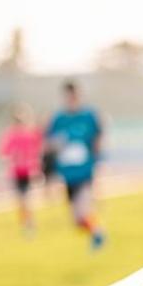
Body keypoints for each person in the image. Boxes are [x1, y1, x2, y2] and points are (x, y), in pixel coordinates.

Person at [45, 81, 106, 250]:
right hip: (67, 175)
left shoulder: (89, 116)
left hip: (85, 172)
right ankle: (95, 230)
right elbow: (48, 143)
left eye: (74, 95)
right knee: (77, 221)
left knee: (83, 209)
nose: (72, 99)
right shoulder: (58, 119)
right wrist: (56, 144)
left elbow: (99, 137)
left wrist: (97, 160)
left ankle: (98, 233)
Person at [0, 103, 42, 233]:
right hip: (17, 171)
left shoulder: (28, 134)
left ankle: (28, 222)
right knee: (22, 199)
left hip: (26, 171)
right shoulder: (12, 134)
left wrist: (35, 167)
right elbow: (4, 152)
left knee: (25, 199)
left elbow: (36, 151)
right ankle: (26, 222)